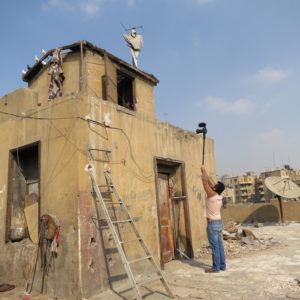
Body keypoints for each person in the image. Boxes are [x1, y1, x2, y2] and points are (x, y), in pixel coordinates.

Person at [201, 165, 226, 273]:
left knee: (215, 247)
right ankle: (222, 265)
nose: (214, 184)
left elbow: (205, 183)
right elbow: (210, 184)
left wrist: (203, 171)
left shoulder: (211, 195)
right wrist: (205, 170)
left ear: (215, 188)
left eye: (215, 185)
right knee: (219, 245)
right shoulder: (219, 196)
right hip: (219, 223)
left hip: (212, 224)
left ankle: (215, 268)